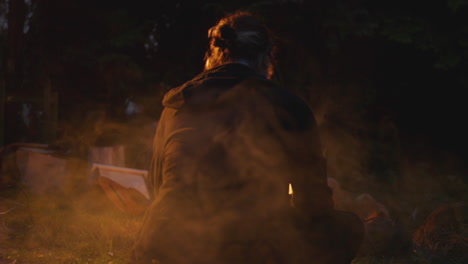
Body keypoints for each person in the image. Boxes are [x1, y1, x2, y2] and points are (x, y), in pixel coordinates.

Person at [130, 11, 363, 264]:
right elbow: (313, 206)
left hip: (164, 247)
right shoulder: (288, 106)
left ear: (213, 54)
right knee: (347, 227)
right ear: (268, 56)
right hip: (246, 250)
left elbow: (157, 185)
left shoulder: (176, 106)